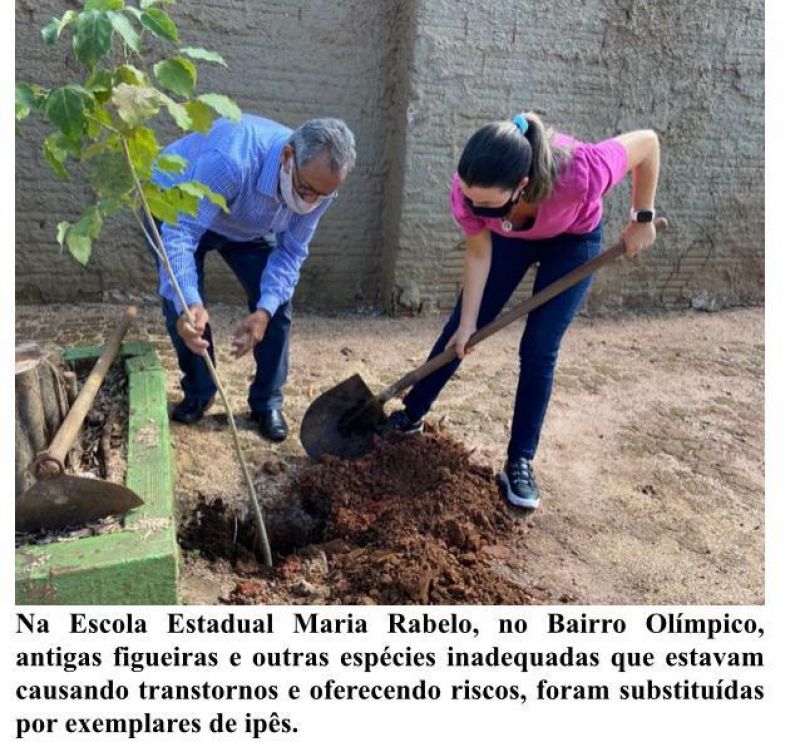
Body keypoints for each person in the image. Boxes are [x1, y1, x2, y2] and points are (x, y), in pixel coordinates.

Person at [389, 112, 660, 509]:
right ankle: (410, 415)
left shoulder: (582, 171)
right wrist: (468, 324)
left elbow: (648, 143)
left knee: (539, 347)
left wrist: (642, 217)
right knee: (463, 326)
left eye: (485, 203)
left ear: (522, 186)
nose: (472, 207)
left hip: (573, 240)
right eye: (469, 198)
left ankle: (520, 460)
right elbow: (479, 250)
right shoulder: (470, 191)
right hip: (509, 239)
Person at [151, 115, 356, 441]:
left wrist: (264, 310)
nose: (309, 202)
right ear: (287, 157)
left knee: (277, 307)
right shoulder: (232, 161)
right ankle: (200, 391)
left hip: (249, 225)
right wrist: (189, 300)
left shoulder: (319, 188)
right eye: (305, 189)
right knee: (182, 309)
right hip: (179, 205)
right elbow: (181, 234)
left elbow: (291, 253)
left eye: (321, 196)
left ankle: (267, 402)